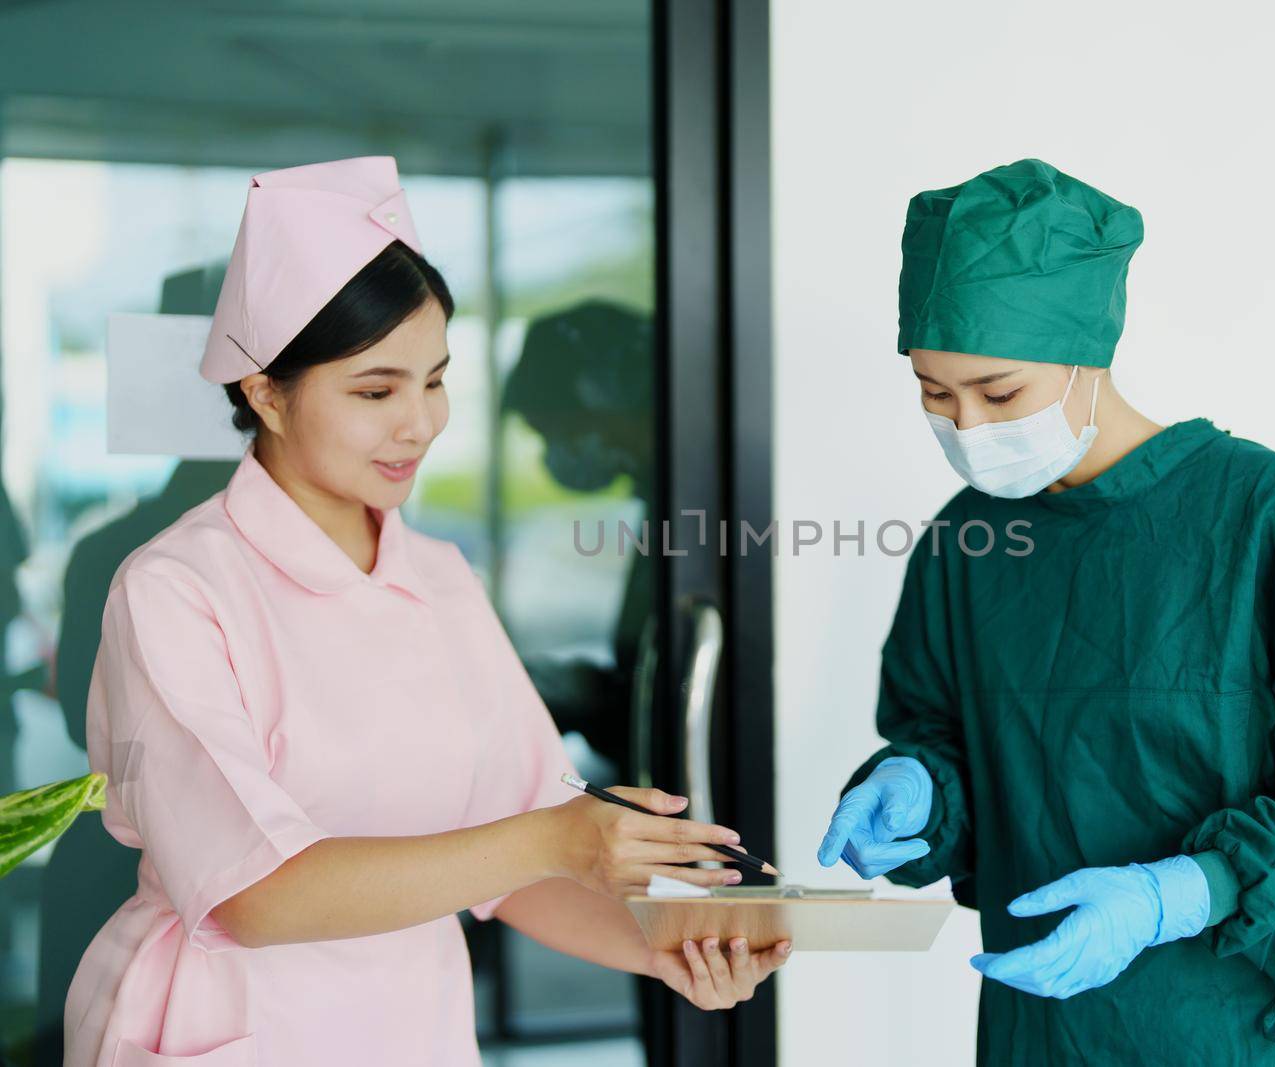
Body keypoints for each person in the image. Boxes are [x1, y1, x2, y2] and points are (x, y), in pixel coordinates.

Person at [64, 156, 787, 1067]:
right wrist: (551, 838)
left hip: (412, 1026)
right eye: (376, 390)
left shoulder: (439, 575)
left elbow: (526, 857)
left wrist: (664, 947)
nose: (421, 423)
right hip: (239, 1025)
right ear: (264, 393)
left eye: (435, 379)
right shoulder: (174, 589)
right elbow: (254, 892)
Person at [818, 158, 1275, 1065]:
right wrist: (922, 789)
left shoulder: (1268, 515)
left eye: (999, 394)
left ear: (1086, 353)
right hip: (1044, 1032)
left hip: (1236, 1034)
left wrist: (1181, 892)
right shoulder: (971, 541)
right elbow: (954, 738)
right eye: (934, 393)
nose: (968, 426)